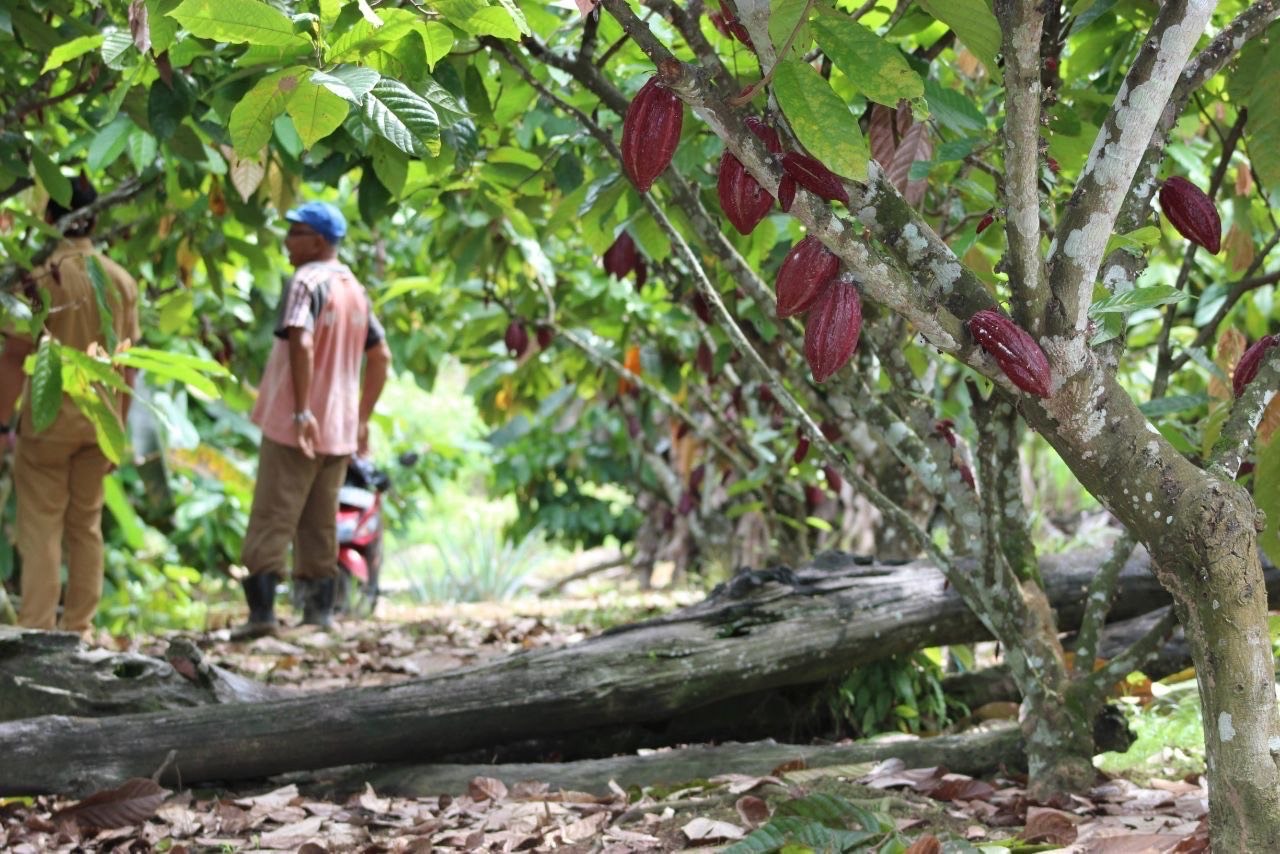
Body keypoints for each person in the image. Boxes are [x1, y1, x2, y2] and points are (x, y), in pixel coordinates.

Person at [234, 201, 391, 638]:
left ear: (318, 242)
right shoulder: (354, 288)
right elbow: (381, 356)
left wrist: (303, 410)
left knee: (273, 515)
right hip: (339, 430)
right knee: (320, 521)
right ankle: (318, 615)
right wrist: (361, 419)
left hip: (296, 425)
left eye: (295, 233)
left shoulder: (307, 281)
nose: (287, 242)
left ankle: (262, 616)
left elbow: (300, 340)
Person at [0, 177, 141, 635]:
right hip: (100, 423)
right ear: (94, 218)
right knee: (86, 526)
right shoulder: (120, 280)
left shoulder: (39, 276)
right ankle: (80, 628)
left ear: (49, 216)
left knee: (41, 525)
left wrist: (1, 424)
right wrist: (118, 430)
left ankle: (37, 628)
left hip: (48, 422)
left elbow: (15, 355)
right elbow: (128, 364)